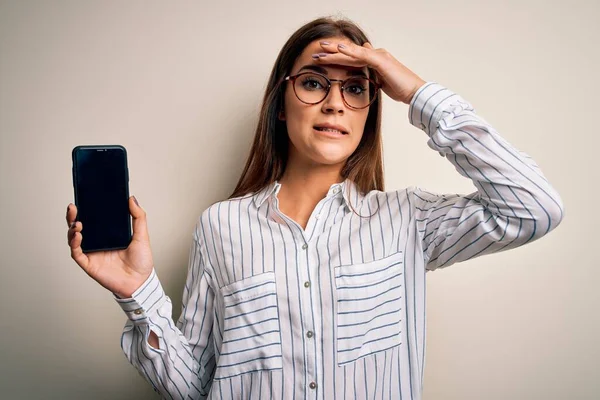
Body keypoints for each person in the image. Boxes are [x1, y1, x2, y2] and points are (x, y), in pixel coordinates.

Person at [65, 16, 564, 400]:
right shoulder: (221, 226)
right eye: (313, 82)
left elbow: (533, 208)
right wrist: (139, 295)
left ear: (370, 112)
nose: (334, 104)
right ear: (281, 103)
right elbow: (196, 386)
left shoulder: (406, 220)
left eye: (356, 88)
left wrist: (415, 92)